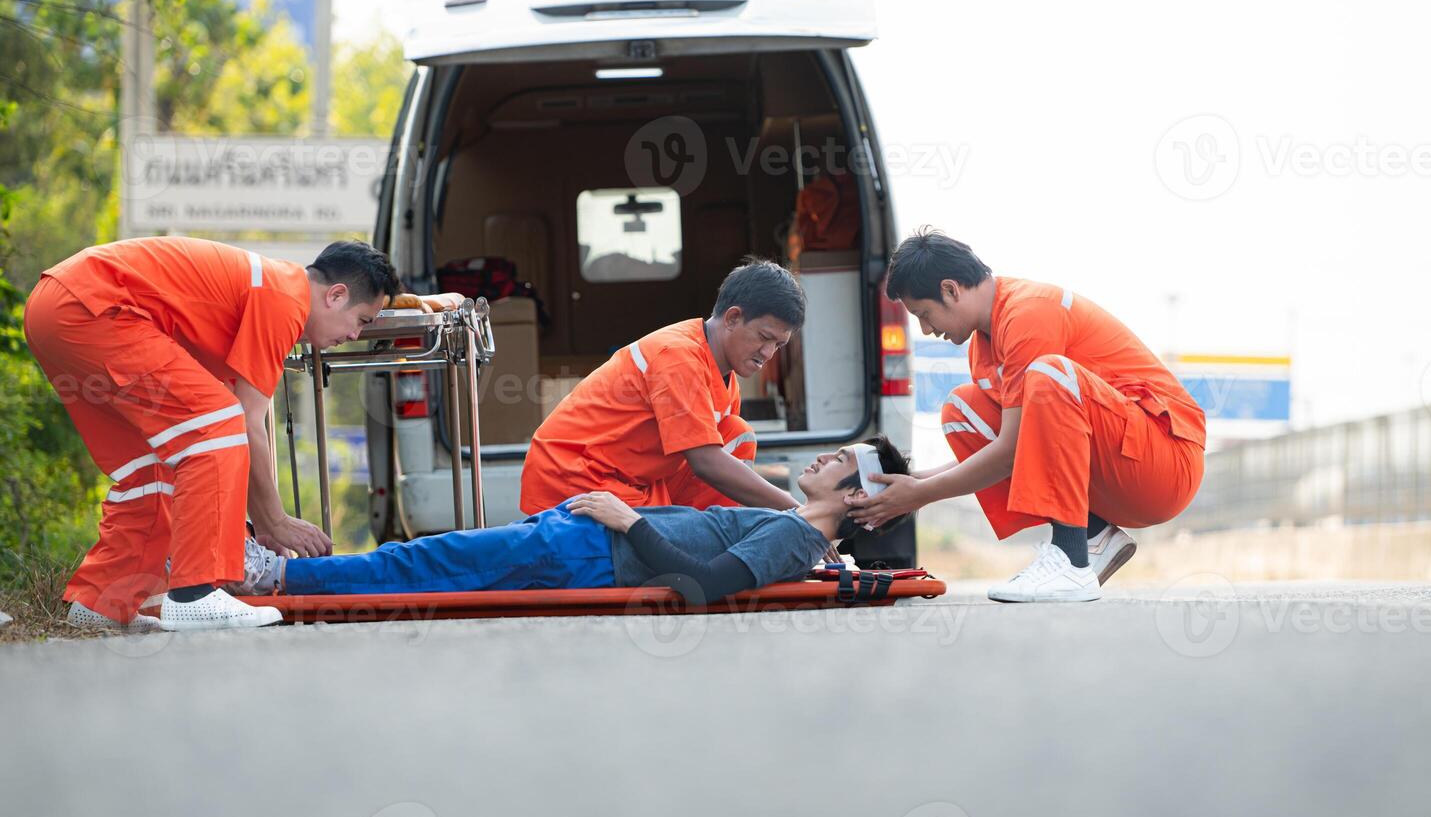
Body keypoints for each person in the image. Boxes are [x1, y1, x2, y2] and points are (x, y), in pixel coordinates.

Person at [24, 236, 402, 631]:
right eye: (362, 320)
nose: (356, 336)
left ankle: (103, 603)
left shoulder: (268, 291)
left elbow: (243, 421)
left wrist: (265, 520)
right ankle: (194, 594)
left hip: (55, 309)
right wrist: (273, 522)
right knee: (215, 423)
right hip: (93, 306)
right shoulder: (285, 297)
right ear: (336, 295)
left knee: (152, 469)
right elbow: (244, 421)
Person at [847, 228, 1207, 603]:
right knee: (962, 410)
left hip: (1165, 465)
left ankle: (1070, 560)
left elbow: (1010, 449)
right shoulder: (983, 346)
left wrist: (919, 494)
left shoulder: (1028, 312)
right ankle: (1092, 534)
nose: (926, 328)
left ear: (951, 290)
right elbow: (1012, 448)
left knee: (1050, 374)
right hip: (1118, 468)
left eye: (924, 313)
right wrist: (909, 482)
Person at [244, 438, 911, 608]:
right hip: (586, 538)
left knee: (428, 560)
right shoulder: (799, 529)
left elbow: (707, 586)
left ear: (857, 499)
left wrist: (626, 521)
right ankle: (285, 575)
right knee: (437, 555)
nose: (826, 457)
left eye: (842, 460)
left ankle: (279, 577)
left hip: (593, 554)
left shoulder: (798, 535)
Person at [519, 258, 806, 516]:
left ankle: (710, 545)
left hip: (629, 484)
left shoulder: (723, 375)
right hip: (575, 479)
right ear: (732, 318)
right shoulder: (677, 355)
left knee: (736, 434)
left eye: (778, 345)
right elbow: (705, 462)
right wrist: (798, 512)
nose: (768, 354)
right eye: (764, 337)